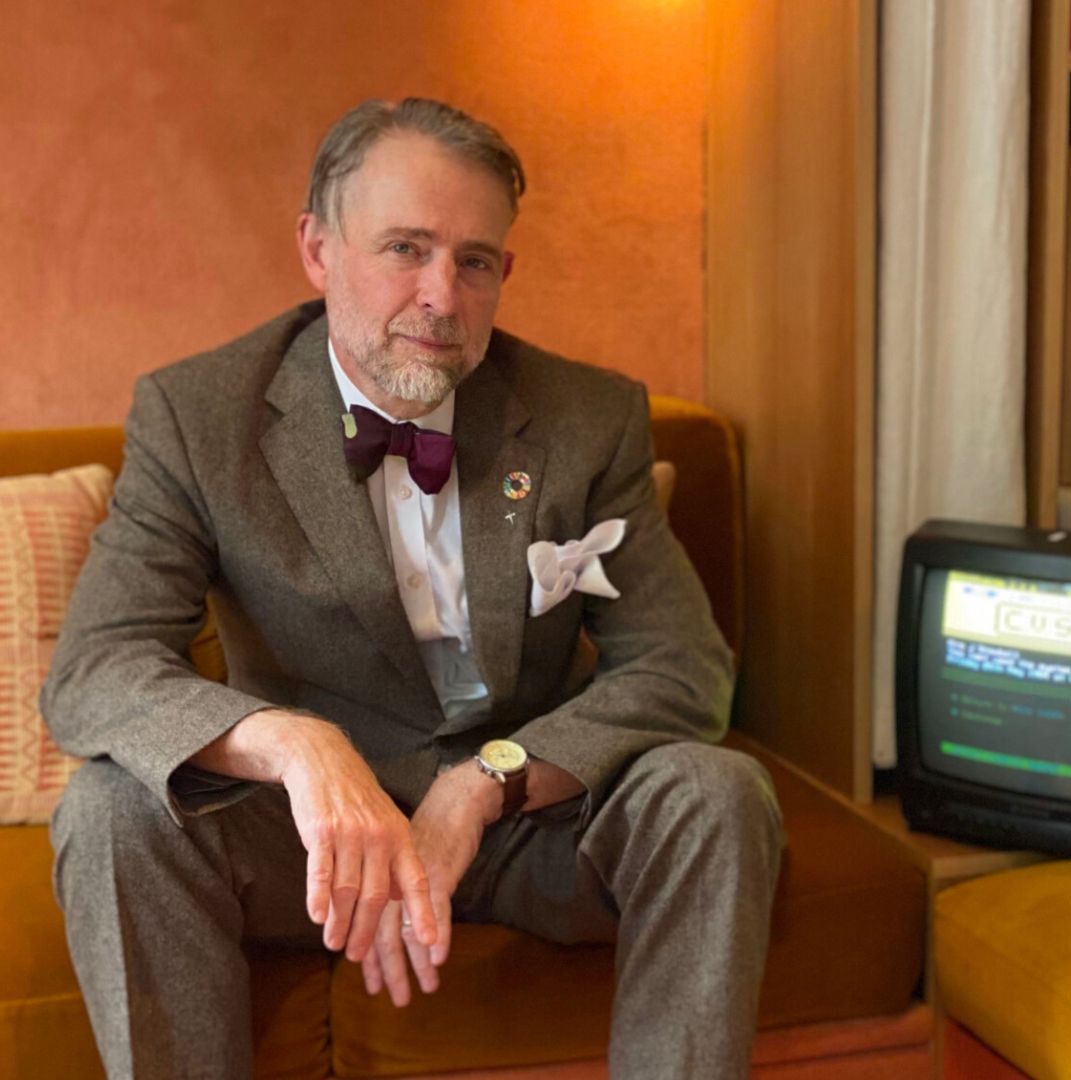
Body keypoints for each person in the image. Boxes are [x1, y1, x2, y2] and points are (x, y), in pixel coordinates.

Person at [41, 97, 783, 1080]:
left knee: (718, 793)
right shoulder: (199, 416)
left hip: (523, 822)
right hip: (314, 843)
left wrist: (489, 782)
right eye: (406, 248)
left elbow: (684, 667)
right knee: (109, 811)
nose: (442, 295)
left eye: (475, 261)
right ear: (318, 249)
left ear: (505, 273)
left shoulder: (587, 416)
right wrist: (299, 748)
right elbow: (96, 668)